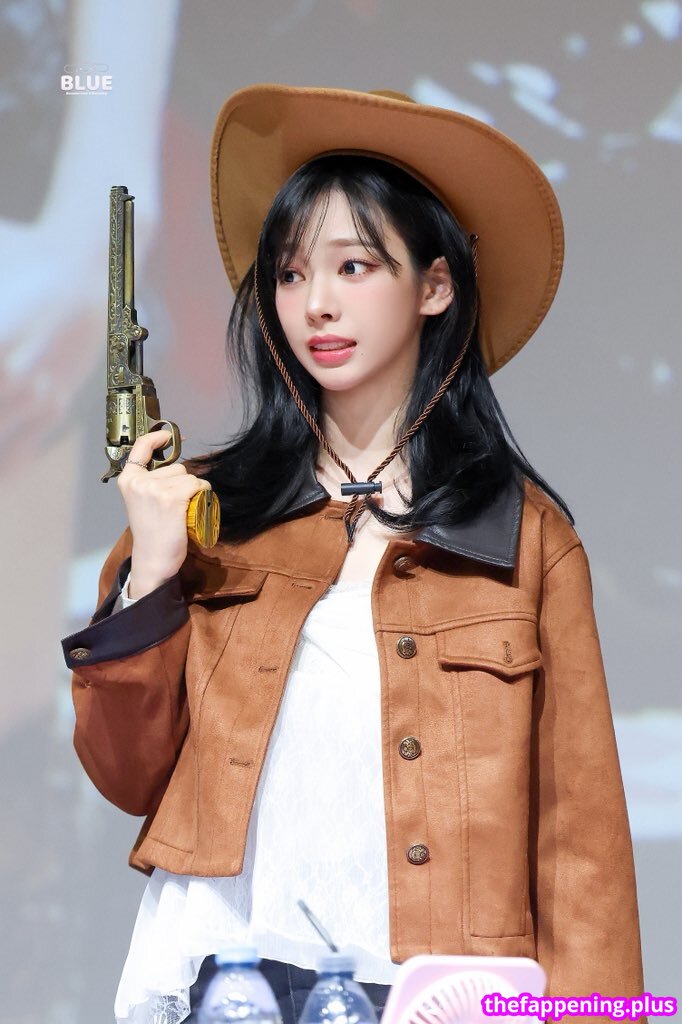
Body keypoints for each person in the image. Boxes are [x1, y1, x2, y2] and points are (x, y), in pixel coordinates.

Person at [62, 84, 646, 1024]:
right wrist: (153, 577)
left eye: (354, 267)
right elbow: (125, 777)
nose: (317, 305)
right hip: (231, 981)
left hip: (441, 994)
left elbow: (579, 843)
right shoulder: (205, 512)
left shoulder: (524, 537)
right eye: (291, 275)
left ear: (435, 286)